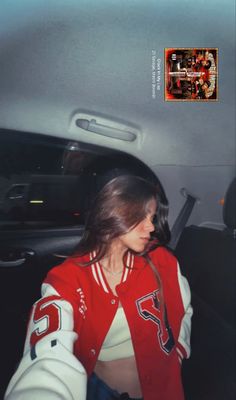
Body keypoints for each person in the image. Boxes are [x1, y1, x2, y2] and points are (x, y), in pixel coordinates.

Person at [4, 175, 192, 400]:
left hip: (162, 389)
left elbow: (183, 310)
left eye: (152, 217)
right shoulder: (69, 278)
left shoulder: (161, 260)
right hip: (99, 392)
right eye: (141, 216)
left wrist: (178, 353)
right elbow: (47, 350)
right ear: (114, 212)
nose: (151, 226)